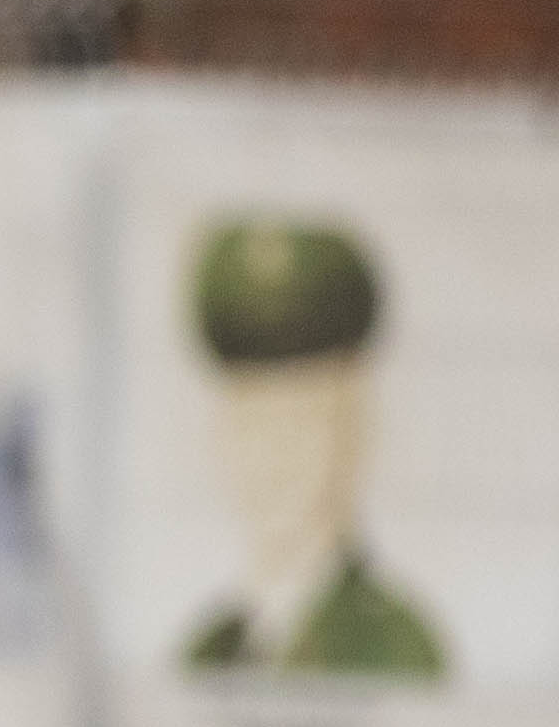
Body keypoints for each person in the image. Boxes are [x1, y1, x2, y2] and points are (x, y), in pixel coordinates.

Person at [179, 220, 443, 679]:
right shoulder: (209, 652)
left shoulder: (393, 649)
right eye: (250, 422)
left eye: (303, 423)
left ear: (354, 430)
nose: (272, 460)